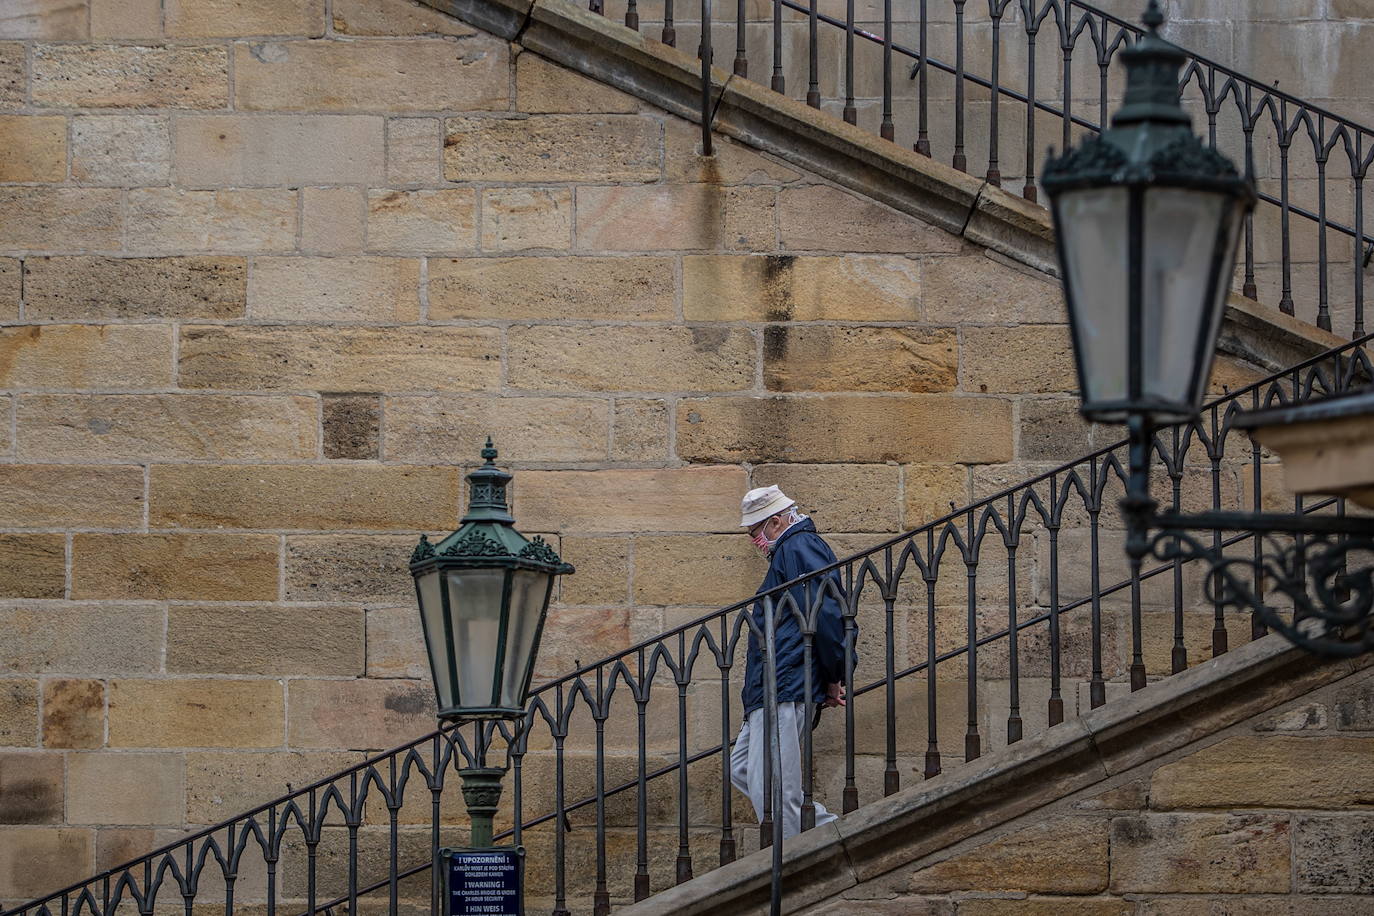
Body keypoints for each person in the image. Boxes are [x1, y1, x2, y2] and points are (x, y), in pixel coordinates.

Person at [729, 485, 849, 840]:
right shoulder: (789, 551)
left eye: (755, 532)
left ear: (777, 521)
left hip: (786, 680)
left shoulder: (798, 546)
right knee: (743, 769)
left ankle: (812, 848)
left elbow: (825, 613)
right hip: (772, 683)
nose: (755, 541)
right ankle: (824, 831)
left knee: (775, 785)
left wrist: (834, 674)